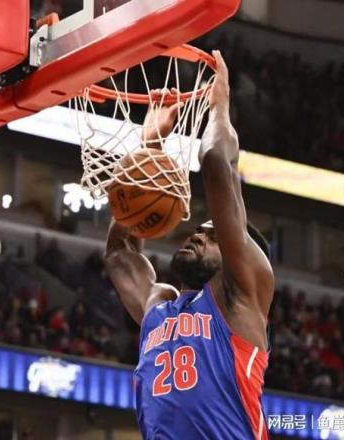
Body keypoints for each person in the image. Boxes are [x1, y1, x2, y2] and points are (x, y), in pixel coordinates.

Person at [105, 50, 274, 440]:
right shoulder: (159, 304)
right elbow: (118, 253)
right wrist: (149, 146)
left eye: (214, 236)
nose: (198, 235)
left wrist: (219, 108)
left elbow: (216, 164)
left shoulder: (240, 299)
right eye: (200, 230)